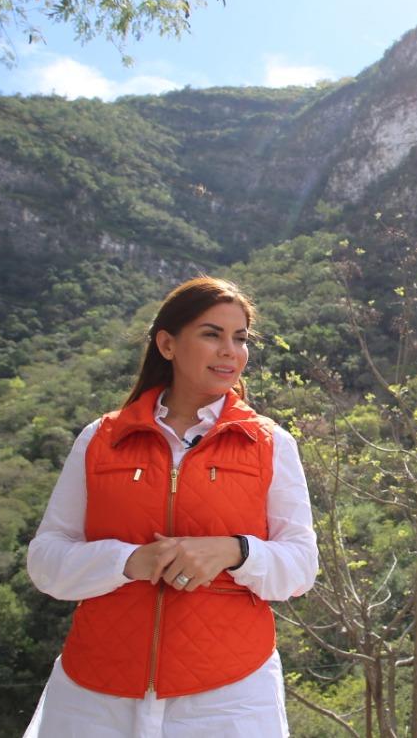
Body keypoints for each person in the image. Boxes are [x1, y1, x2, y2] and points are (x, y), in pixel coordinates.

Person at [24, 276, 318, 737]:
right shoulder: (101, 439)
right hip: (94, 697)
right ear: (167, 343)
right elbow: (46, 561)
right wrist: (127, 562)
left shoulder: (270, 444)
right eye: (211, 334)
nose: (230, 351)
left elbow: (300, 568)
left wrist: (234, 551)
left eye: (240, 339)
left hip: (229, 699)